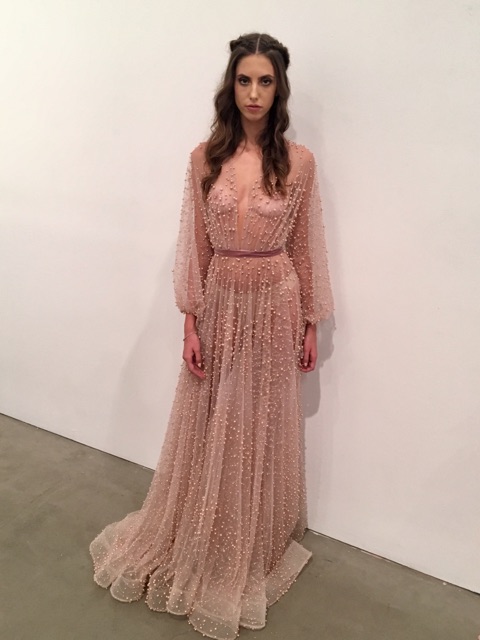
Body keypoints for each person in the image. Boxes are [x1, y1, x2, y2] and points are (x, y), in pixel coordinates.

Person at [89, 32, 334, 640]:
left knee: (258, 419)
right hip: (220, 297)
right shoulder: (204, 158)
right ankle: (201, 528)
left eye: (266, 81)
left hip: (275, 300)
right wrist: (190, 321)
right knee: (209, 416)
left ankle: (251, 533)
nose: (254, 93)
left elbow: (307, 245)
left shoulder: (299, 162)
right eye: (244, 80)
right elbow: (195, 245)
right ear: (231, 86)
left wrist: (310, 321)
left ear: (279, 89)